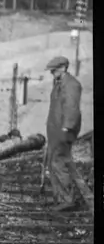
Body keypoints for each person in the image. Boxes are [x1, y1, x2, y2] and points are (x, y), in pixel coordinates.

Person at [44, 56, 83, 212]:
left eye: (54, 70)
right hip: (56, 130)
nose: (52, 73)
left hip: (63, 131)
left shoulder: (71, 85)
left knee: (59, 162)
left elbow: (71, 107)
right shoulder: (60, 83)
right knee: (54, 163)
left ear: (63, 68)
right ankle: (60, 198)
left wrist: (67, 127)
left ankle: (67, 199)